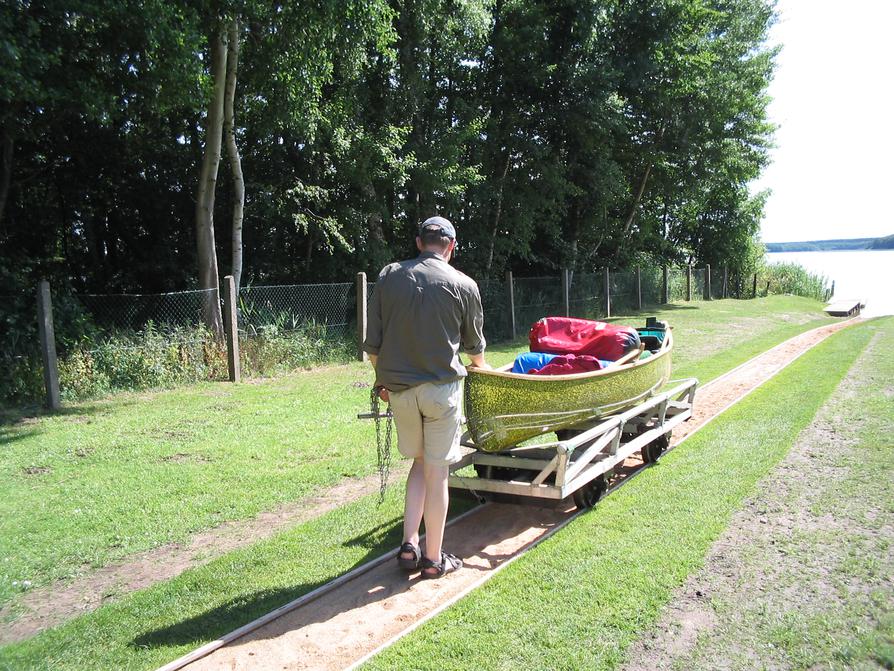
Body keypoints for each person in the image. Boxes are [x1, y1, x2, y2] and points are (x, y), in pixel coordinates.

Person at [364, 216, 490, 579]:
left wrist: (382, 381)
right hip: (441, 394)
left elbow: (373, 345)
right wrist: (481, 367)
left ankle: (408, 545)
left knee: (418, 465)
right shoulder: (463, 284)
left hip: (399, 393)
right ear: (451, 245)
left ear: (420, 242)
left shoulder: (389, 275)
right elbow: (474, 347)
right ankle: (434, 559)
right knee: (438, 473)